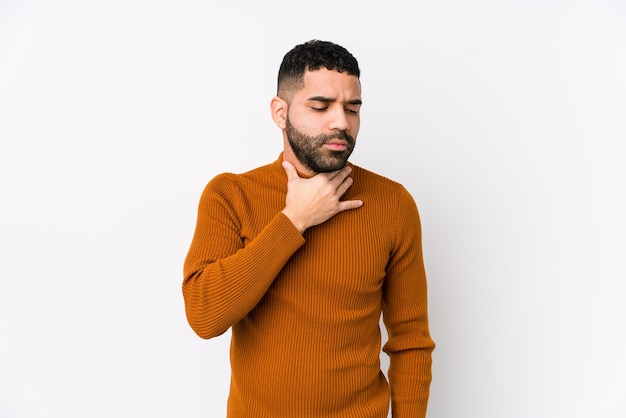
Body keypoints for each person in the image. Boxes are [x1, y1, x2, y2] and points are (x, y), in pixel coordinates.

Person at [183, 39, 435, 418]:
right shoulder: (232, 195)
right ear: (280, 112)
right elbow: (205, 317)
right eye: (321, 106)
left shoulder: (392, 204)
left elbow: (411, 342)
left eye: (353, 108)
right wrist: (293, 220)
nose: (341, 122)